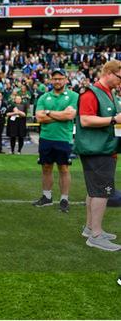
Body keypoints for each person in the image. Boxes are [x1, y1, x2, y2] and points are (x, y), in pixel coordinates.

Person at [74, 59, 121, 251]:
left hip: (103, 148)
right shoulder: (91, 93)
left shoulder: (107, 93)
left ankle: (90, 228)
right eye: (119, 77)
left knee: (94, 191)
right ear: (109, 72)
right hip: (97, 150)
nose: (120, 81)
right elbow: (85, 120)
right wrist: (113, 119)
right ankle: (96, 235)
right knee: (101, 192)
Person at [34, 68, 79, 212]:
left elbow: (70, 116)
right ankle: (46, 197)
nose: (57, 81)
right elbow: (39, 118)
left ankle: (64, 199)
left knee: (63, 168)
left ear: (66, 80)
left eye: (60, 78)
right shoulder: (43, 97)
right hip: (46, 138)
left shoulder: (74, 96)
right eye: (55, 78)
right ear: (50, 80)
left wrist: (48, 113)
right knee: (46, 167)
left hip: (64, 138)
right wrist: (60, 115)